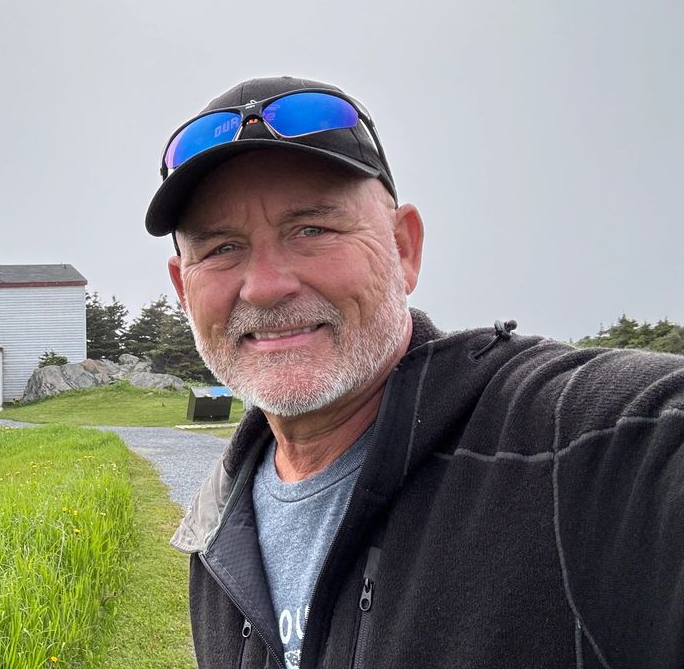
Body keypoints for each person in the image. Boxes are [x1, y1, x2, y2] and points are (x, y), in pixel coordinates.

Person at [144, 76, 684, 669]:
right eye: (222, 248)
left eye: (312, 229)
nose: (266, 286)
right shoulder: (218, 523)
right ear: (183, 289)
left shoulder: (573, 447)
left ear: (404, 249)